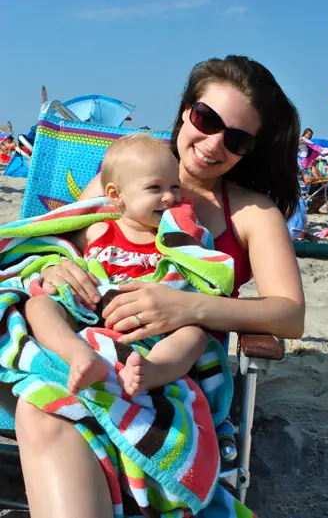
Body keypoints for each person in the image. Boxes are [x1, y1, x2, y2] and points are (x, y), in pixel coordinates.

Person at [7, 55, 305, 518]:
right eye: (206, 119)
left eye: (237, 138)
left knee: (44, 408)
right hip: (87, 339)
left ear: (251, 149)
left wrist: (188, 306)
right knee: (43, 402)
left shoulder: (252, 213)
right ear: (186, 110)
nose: (212, 143)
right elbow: (63, 239)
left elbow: (290, 314)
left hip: (167, 366)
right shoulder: (127, 175)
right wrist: (54, 267)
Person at [24, 135, 208, 396]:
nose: (169, 197)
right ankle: (78, 355)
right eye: (155, 188)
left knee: (194, 336)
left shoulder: (176, 238)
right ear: (116, 195)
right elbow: (53, 247)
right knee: (39, 305)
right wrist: (51, 266)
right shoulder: (97, 231)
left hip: (151, 328)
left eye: (175, 187)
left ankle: (152, 370)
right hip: (90, 314)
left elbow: (203, 274)